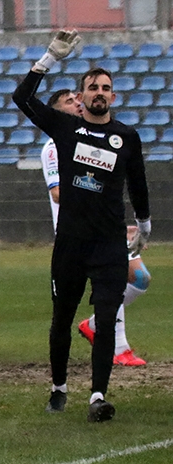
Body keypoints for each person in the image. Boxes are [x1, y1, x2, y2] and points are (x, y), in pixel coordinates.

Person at [14, 31, 151, 423]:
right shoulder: (63, 129)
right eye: (92, 87)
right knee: (61, 318)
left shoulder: (126, 137)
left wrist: (145, 223)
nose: (99, 93)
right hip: (71, 244)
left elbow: (138, 182)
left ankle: (97, 396)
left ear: (114, 97)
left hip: (108, 245)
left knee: (107, 318)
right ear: (82, 95)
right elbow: (21, 99)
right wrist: (49, 58)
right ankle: (59, 388)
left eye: (106, 88)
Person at [41, 90, 150, 368]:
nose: (77, 104)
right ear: (56, 111)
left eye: (77, 100)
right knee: (109, 286)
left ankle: (94, 326)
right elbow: (57, 193)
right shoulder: (56, 145)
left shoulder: (95, 138)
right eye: (69, 102)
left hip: (104, 228)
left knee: (138, 278)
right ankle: (118, 347)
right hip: (76, 232)